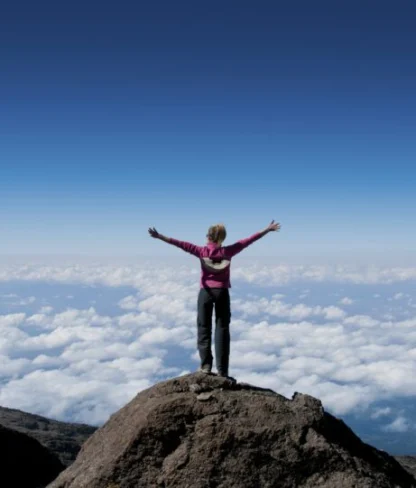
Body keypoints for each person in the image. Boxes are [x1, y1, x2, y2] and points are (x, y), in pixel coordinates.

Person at [148, 220, 281, 378]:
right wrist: (267, 229)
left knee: (204, 328)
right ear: (221, 239)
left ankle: (206, 366)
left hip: (205, 293)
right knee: (222, 329)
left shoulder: (200, 251)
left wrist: (159, 236)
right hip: (222, 293)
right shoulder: (229, 251)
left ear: (209, 237)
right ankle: (223, 371)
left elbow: (179, 244)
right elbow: (249, 240)